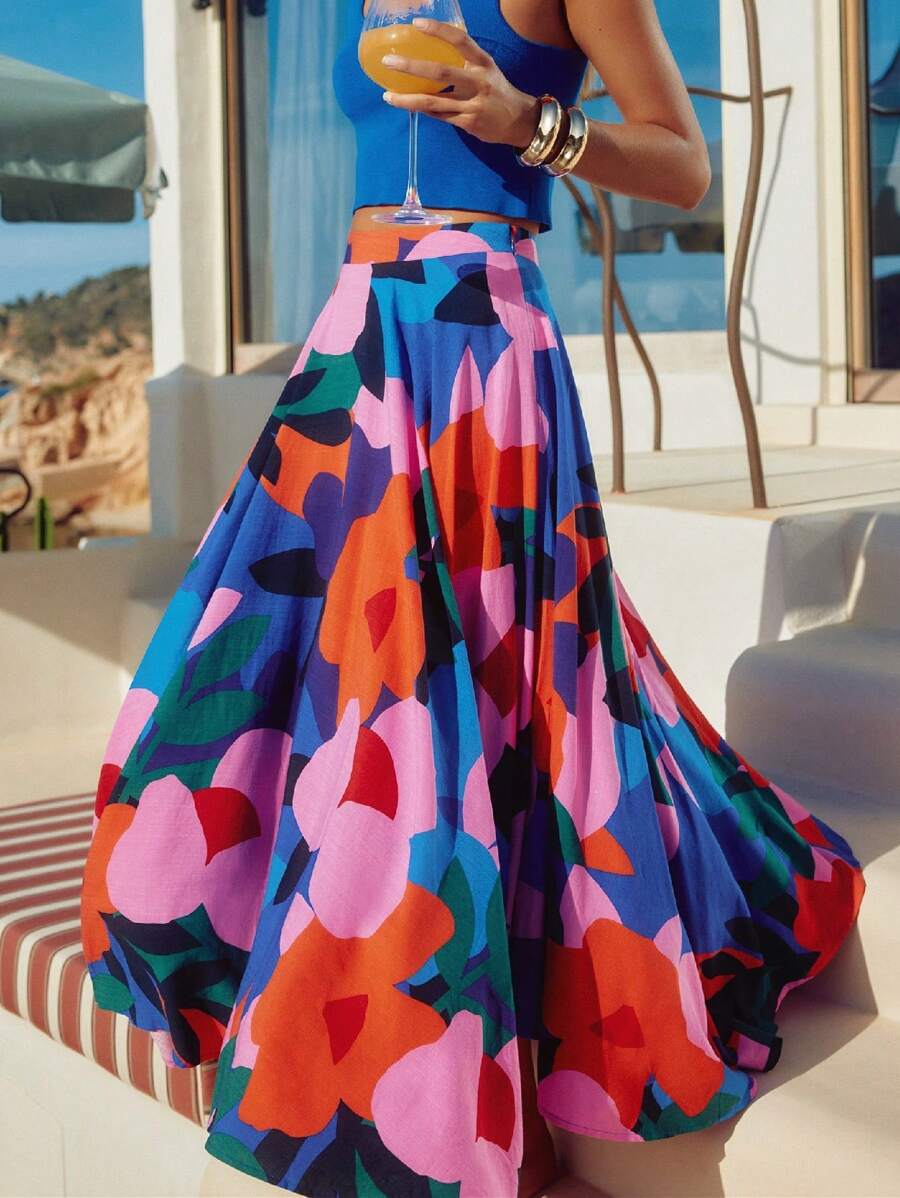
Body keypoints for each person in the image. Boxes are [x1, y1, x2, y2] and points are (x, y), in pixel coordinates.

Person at [79, 3, 865, 1197]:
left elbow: (682, 163)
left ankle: (449, 1064)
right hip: (358, 335)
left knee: (461, 698)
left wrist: (529, 123)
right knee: (249, 664)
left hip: (482, 338)